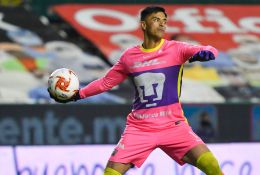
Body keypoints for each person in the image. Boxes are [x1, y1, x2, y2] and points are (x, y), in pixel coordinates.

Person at [48, 6, 223, 175]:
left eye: (164, 20)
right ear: (144, 25)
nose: (162, 24)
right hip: (140, 129)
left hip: (173, 126)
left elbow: (209, 48)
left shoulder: (176, 49)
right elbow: (106, 82)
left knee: (211, 164)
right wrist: (78, 95)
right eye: (156, 20)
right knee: (110, 173)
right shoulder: (129, 57)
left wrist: (207, 52)